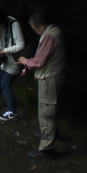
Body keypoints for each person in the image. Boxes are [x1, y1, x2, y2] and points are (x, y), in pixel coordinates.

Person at [18, 11, 65, 159]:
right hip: (55, 75)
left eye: (35, 29)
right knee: (50, 108)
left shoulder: (50, 37)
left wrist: (25, 61)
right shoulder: (56, 31)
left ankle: (46, 148)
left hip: (49, 78)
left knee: (45, 112)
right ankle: (49, 133)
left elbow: (39, 61)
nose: (35, 32)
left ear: (42, 26)